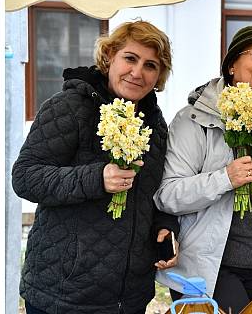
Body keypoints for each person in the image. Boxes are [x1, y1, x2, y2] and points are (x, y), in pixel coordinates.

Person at [12, 20, 180, 314]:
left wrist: (164, 225)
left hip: (128, 297)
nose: (137, 72)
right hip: (64, 293)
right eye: (130, 58)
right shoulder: (68, 106)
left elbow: (154, 189)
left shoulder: (155, 123)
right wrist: (96, 178)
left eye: (150, 65)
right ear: (109, 56)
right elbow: (25, 177)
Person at [153, 25, 252, 313]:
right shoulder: (193, 120)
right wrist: (225, 178)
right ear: (232, 65)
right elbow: (167, 195)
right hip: (210, 269)